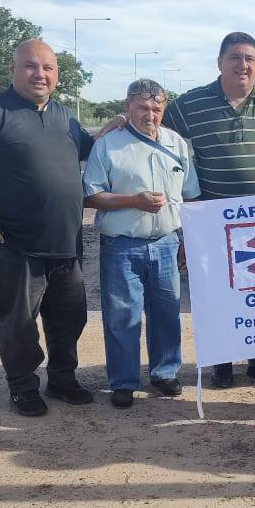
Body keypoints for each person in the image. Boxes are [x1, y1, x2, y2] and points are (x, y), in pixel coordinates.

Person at [0, 39, 114, 416]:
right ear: (13, 70)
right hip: (15, 243)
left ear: (57, 76)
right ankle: (23, 387)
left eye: (48, 68)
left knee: (69, 318)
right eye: (31, 66)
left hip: (66, 242)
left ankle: (63, 379)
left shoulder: (63, 115)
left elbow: (87, 150)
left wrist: (111, 132)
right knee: (19, 324)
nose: (40, 74)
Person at [162, 32, 255, 390]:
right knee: (217, 294)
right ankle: (221, 362)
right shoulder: (191, 105)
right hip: (213, 222)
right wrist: (119, 122)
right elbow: (153, 126)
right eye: (236, 57)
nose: (243, 64)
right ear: (220, 62)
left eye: (250, 58)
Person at [83, 79, 200, 408]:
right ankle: (122, 381)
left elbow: (189, 196)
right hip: (122, 246)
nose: (150, 114)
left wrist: (185, 241)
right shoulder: (108, 145)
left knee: (167, 313)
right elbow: (91, 195)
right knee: (122, 316)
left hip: (165, 242)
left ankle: (165, 372)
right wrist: (133, 200)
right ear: (128, 107)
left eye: (157, 108)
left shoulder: (177, 143)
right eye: (143, 108)